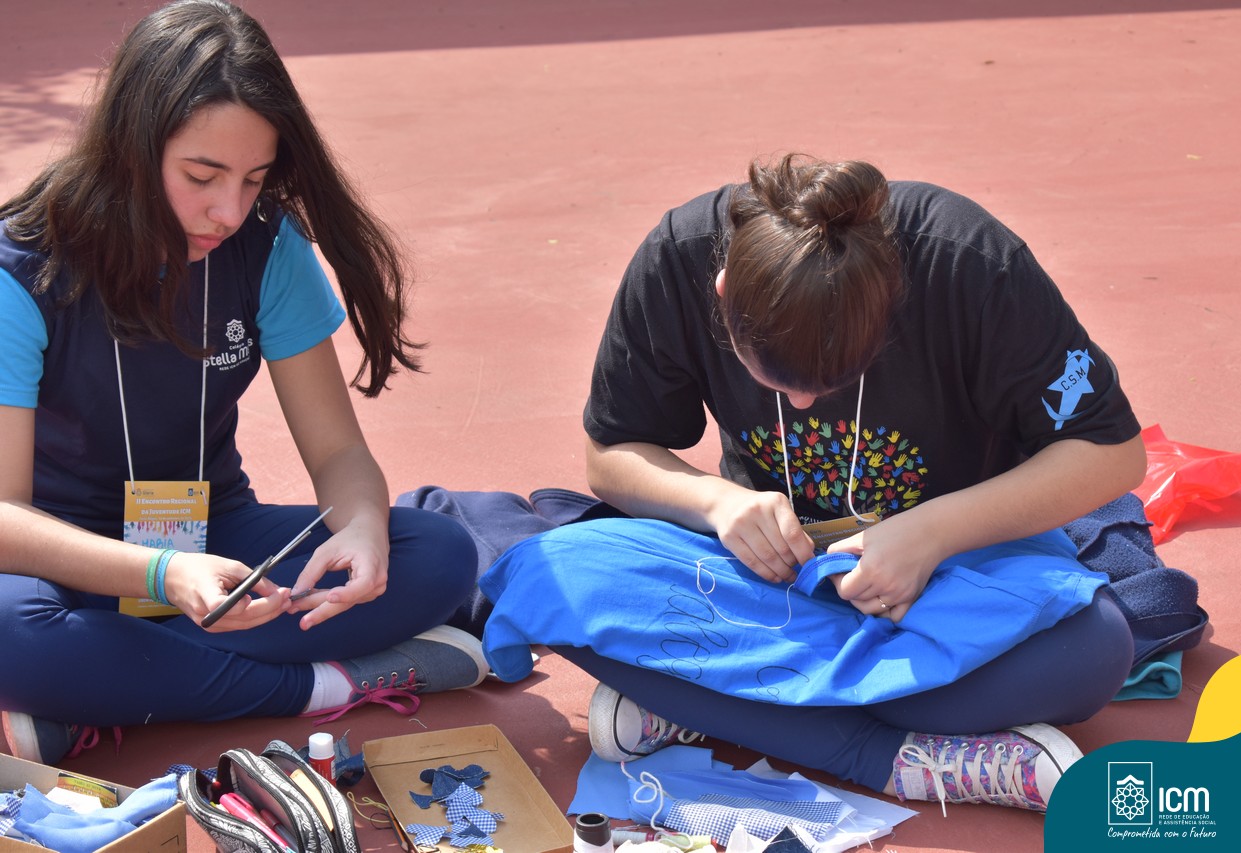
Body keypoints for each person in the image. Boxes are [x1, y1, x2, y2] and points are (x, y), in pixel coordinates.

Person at [570, 155, 1146, 813]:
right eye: (777, 379)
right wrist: (717, 503)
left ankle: (712, 697)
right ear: (724, 292)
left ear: (893, 303)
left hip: (949, 576)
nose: (804, 403)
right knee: (552, 576)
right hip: (761, 578)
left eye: (834, 378)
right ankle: (894, 756)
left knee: (1093, 648)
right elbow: (611, 455)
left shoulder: (968, 262)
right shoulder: (680, 257)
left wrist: (933, 533)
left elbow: (1112, 453)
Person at [0, 0, 486, 767]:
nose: (228, 210)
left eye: (254, 179)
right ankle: (326, 686)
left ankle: (108, 688)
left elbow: (338, 453)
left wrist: (363, 528)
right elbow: (4, 514)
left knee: (439, 552)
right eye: (202, 175)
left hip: (217, 540)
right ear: (132, 147)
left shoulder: (269, 248)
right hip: (68, 560)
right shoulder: (22, 270)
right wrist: (162, 573)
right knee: (10, 631)